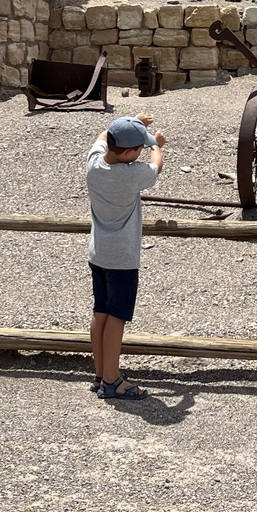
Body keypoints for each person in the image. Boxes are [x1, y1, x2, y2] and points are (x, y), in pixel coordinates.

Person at [84, 114, 165, 399]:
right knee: (117, 318)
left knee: (101, 312)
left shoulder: (94, 163)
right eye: (140, 147)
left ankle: (99, 373)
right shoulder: (132, 174)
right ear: (131, 153)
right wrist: (157, 145)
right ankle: (112, 380)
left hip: (99, 253)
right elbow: (156, 168)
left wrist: (130, 124)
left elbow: (101, 137)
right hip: (122, 258)